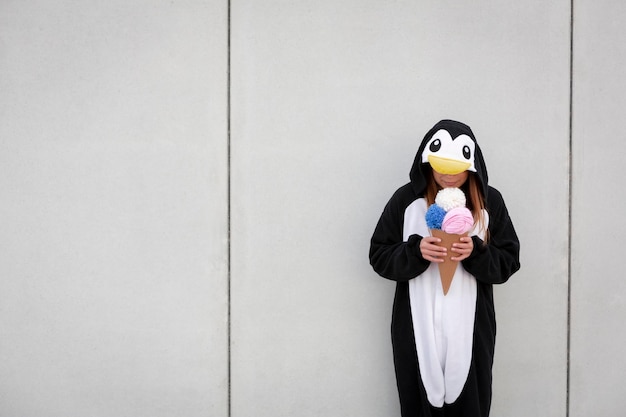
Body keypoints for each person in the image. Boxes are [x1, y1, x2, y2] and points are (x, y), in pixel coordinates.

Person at [369, 119, 520, 417]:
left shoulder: (491, 203)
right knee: (419, 400)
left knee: (470, 403)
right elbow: (379, 254)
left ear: (472, 164)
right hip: (415, 324)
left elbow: (508, 262)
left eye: (457, 168)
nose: (449, 176)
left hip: (472, 328)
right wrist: (415, 251)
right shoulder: (406, 200)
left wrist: (476, 252)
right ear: (427, 161)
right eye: (441, 167)